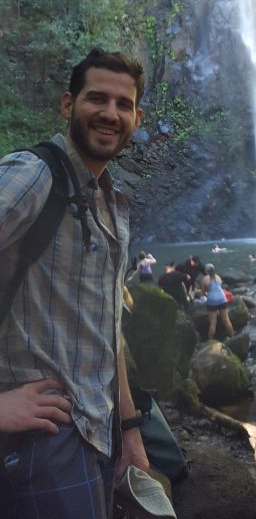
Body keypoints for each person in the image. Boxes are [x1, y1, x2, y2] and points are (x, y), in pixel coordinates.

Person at [0, 48, 149, 519]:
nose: (110, 113)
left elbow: (108, 329)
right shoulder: (34, 175)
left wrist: (128, 428)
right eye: (96, 99)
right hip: (40, 439)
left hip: (94, 431)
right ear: (68, 104)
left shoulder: (111, 203)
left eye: (122, 105)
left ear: (137, 117)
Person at [201, 264, 234, 341]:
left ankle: (210, 341)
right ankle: (232, 336)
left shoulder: (205, 279)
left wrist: (207, 293)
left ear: (206, 271)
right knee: (226, 320)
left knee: (213, 323)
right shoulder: (218, 277)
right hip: (222, 299)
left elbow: (203, 293)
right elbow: (218, 288)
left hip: (212, 301)